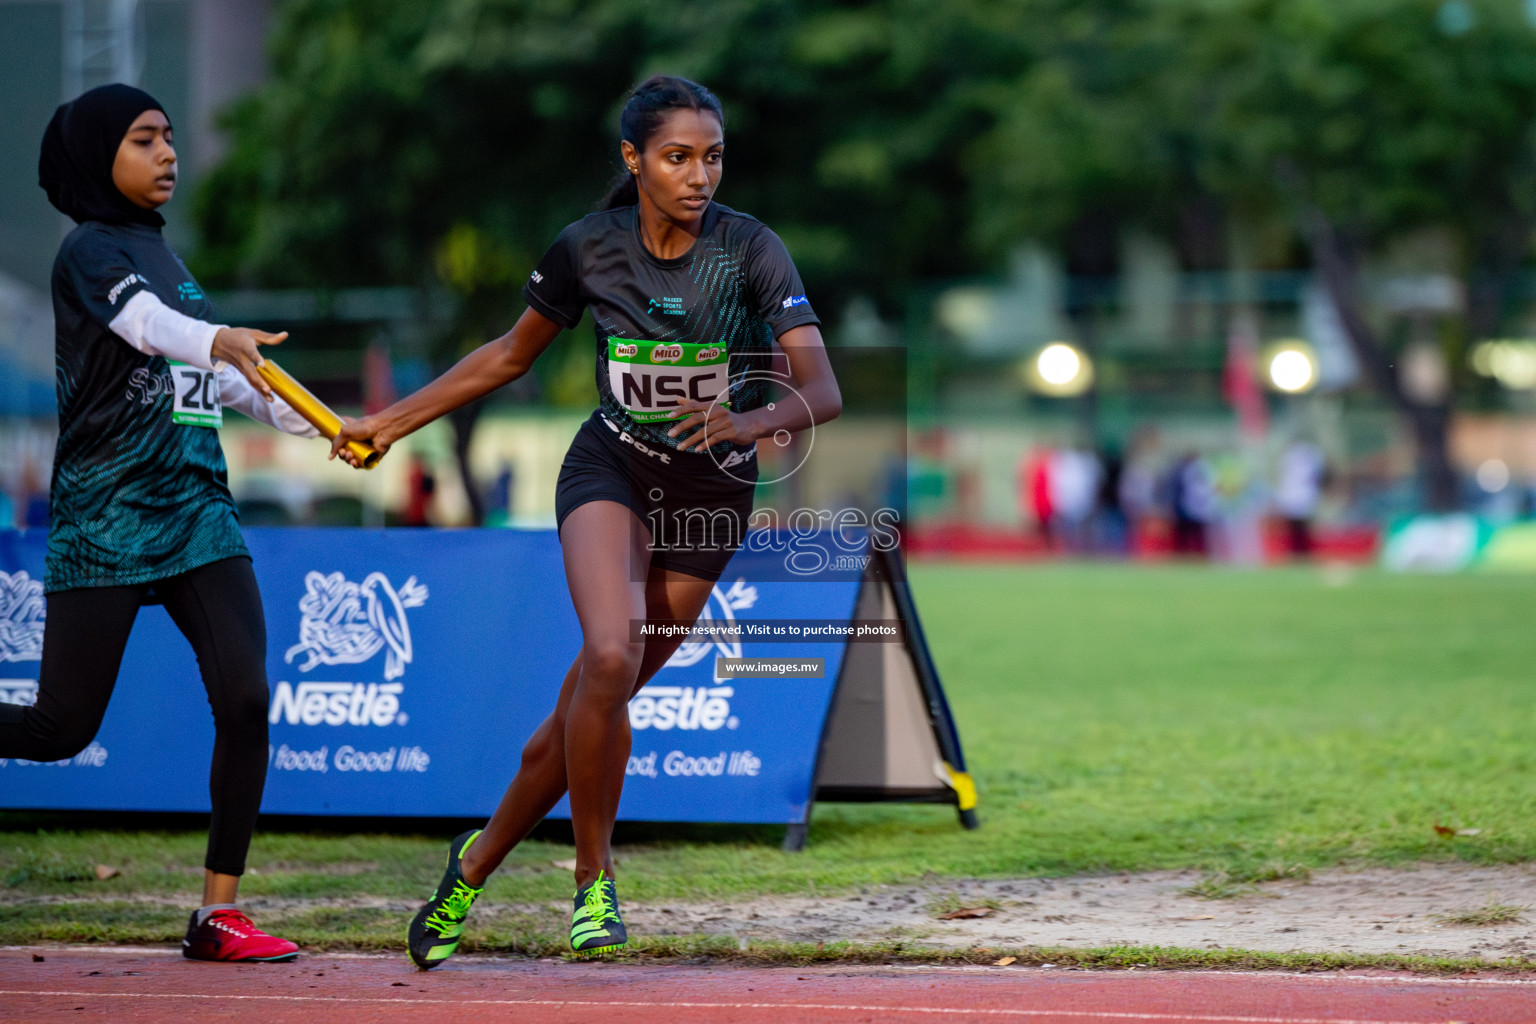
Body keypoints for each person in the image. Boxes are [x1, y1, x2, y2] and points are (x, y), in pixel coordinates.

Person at [332, 75, 841, 966]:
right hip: (609, 466)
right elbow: (506, 354)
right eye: (678, 157)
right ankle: (593, 882)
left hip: (710, 497)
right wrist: (387, 422)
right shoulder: (588, 249)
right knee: (609, 652)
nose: (699, 175)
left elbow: (823, 387)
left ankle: (474, 862)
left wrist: (751, 420)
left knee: (587, 705)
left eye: (712, 156)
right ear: (633, 160)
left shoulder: (751, 251)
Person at [0, 84, 323, 962]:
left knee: (248, 698)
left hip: (196, 511)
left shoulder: (164, 257)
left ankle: (218, 914)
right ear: (98, 156)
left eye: (171, 138)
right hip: (106, 515)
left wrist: (333, 428)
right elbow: (150, 329)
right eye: (146, 140)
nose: (169, 154)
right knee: (60, 729)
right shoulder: (89, 252)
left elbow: (213, 380)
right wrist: (214, 337)